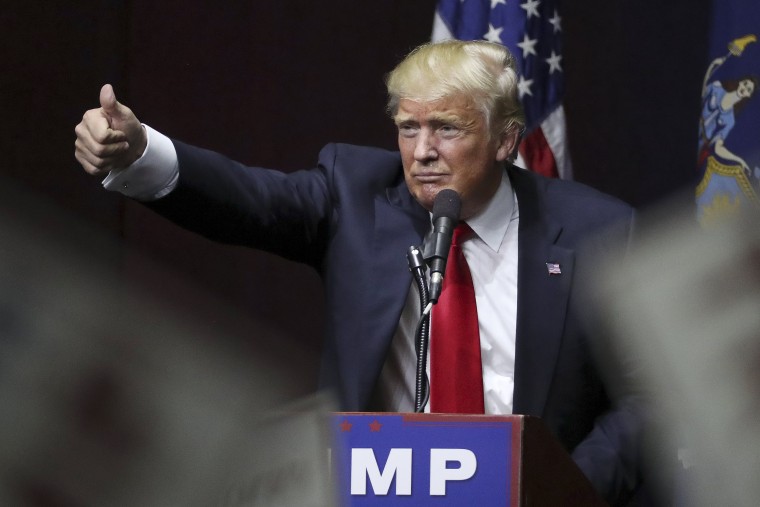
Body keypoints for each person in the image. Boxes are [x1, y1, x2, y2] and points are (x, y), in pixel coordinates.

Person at [75, 40, 644, 504]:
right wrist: (138, 152)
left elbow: (644, 398)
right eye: (407, 127)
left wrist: (565, 490)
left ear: (504, 140)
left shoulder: (596, 232)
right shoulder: (354, 194)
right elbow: (251, 199)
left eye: (446, 128)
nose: (422, 152)